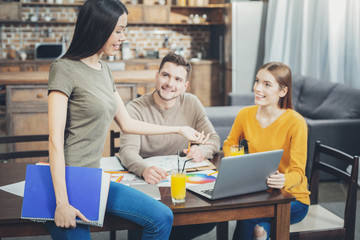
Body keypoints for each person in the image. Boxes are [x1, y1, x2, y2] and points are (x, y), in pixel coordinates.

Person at [46, 0, 210, 239]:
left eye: (124, 30)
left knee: (161, 217)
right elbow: (55, 140)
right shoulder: (63, 69)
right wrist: (61, 202)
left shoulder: (104, 70)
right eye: (119, 30)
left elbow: (127, 123)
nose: (123, 37)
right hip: (66, 181)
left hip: (94, 177)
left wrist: (180, 129)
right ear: (99, 28)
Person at [119, 53, 220, 239]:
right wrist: (143, 168)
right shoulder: (134, 108)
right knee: (145, 223)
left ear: (185, 85)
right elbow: (127, 152)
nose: (170, 83)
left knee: (210, 216)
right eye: (165, 75)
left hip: (181, 183)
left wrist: (202, 151)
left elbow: (213, 138)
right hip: (149, 183)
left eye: (177, 79)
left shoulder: (192, 103)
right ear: (156, 76)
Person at [223, 62, 310, 240]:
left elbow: (298, 173)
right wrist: (236, 163)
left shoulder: (296, 122)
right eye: (257, 81)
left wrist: (284, 179)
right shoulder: (245, 115)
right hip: (260, 193)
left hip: (293, 199)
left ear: (283, 91)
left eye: (267, 84)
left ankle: (262, 232)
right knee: (252, 221)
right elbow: (229, 143)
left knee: (247, 216)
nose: (257, 88)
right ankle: (262, 233)